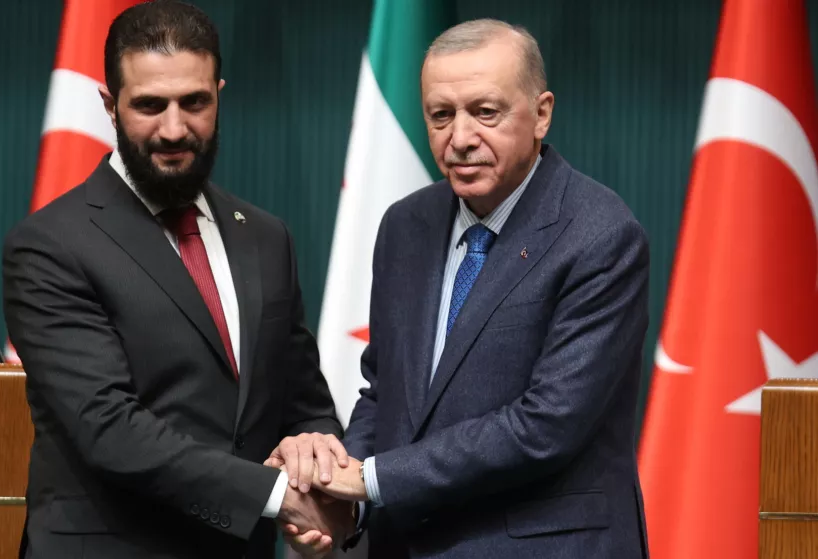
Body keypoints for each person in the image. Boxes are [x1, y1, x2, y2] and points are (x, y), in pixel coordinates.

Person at [279, 19, 651, 558]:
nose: (460, 138)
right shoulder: (405, 225)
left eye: (485, 112)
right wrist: (339, 502)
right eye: (441, 115)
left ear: (541, 113)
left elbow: (545, 426)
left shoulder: (601, 234)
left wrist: (370, 479)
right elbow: (386, 392)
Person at [2, 2, 351, 557]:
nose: (173, 128)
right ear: (109, 106)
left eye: (194, 102)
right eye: (148, 105)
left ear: (219, 94)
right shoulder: (51, 244)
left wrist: (317, 454)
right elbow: (108, 428)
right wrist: (278, 494)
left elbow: (301, 397)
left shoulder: (264, 236)